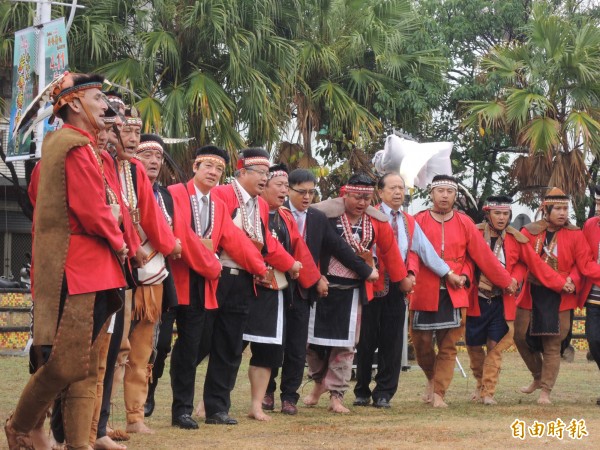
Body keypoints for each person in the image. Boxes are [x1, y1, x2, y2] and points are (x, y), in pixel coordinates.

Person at [5, 72, 129, 450]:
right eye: (96, 98)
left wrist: (118, 231)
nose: (104, 105)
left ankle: (79, 443)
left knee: (86, 368)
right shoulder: (73, 146)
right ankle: (20, 425)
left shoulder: (83, 146)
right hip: (79, 270)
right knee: (66, 363)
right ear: (74, 104)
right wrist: (121, 237)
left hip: (93, 268)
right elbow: (94, 210)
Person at [167, 145, 270, 429]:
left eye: (218, 168)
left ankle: (213, 408)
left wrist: (261, 268)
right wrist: (212, 266)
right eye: (208, 166)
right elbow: (183, 235)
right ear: (195, 166)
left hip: (219, 280)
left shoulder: (222, 204)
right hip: (186, 277)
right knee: (183, 345)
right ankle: (171, 407)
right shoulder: (180, 193)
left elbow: (235, 239)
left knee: (223, 346)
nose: (213, 172)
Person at [265, 169, 377, 415]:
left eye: (311, 192)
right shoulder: (274, 215)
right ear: (288, 190)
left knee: (297, 346)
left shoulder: (317, 218)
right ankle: (267, 392)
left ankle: (290, 397)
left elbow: (339, 248)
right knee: (274, 344)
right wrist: (317, 277)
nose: (307, 197)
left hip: (306, 290)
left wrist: (367, 271)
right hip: (275, 285)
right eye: (301, 192)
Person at [205, 148, 301, 425]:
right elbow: (224, 235)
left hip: (245, 279)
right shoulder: (222, 194)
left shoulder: (260, 205)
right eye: (261, 173)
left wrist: (291, 264)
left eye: (267, 174)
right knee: (200, 342)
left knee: (231, 346)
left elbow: (267, 245)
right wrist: (263, 266)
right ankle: (187, 405)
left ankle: (217, 408)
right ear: (243, 172)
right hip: (218, 273)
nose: (265, 179)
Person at [304, 173, 409, 413]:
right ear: (345, 194)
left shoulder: (375, 221)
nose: (362, 203)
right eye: (356, 197)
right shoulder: (325, 216)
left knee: (346, 345)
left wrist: (401, 279)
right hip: (324, 287)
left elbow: (390, 251)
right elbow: (310, 248)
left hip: (353, 292)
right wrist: (314, 277)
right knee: (313, 344)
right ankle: (318, 385)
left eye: (366, 198)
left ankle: (337, 396)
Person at [409, 175, 517, 408]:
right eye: (440, 191)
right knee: (422, 343)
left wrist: (500, 279)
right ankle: (431, 376)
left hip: (456, 289)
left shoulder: (465, 221)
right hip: (424, 289)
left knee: (448, 346)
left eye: (450, 191)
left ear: (455, 195)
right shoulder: (417, 220)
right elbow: (411, 253)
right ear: (431, 194)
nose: (445, 195)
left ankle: (439, 393)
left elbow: (479, 257)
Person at [354, 173, 457, 408]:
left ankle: (384, 393)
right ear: (380, 192)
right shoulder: (368, 217)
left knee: (392, 341)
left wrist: (444, 273)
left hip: (398, 287)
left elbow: (423, 251)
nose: (398, 192)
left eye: (401, 187)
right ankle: (361, 390)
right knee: (366, 340)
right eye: (392, 188)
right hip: (372, 283)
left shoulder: (409, 221)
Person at [466, 195, 569, 405]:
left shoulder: (516, 239)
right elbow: (468, 261)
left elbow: (535, 265)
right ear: (488, 214)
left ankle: (488, 391)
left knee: (495, 346)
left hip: (501, 301)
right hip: (476, 299)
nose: (502, 218)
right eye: (497, 213)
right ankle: (479, 383)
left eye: (505, 214)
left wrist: (558, 282)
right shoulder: (474, 234)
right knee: (474, 346)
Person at [244, 164, 321, 421]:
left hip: (286, 291)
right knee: (252, 344)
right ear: (264, 186)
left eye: (286, 187)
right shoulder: (255, 212)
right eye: (280, 185)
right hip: (257, 289)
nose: (284, 191)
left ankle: (287, 396)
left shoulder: (286, 216)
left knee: (289, 347)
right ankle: (262, 393)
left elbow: (299, 249)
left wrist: (314, 280)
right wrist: (290, 264)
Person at [515, 187, 600, 404]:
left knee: (553, 343)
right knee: (520, 336)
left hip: (562, 296)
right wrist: (561, 282)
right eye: (558, 208)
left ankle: (546, 391)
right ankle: (537, 376)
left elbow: (581, 264)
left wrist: (572, 279)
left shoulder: (575, 233)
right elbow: (533, 265)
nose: (563, 213)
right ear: (546, 209)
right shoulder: (528, 233)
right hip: (533, 292)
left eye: (566, 208)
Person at [581, 185, 600, 406]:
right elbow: (584, 261)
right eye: (596, 203)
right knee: (594, 340)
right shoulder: (590, 225)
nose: (598, 209)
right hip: (594, 296)